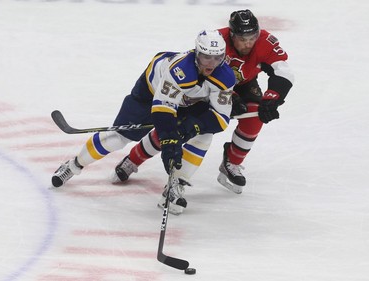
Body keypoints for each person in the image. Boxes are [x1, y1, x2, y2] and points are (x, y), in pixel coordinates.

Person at [51, 29, 236, 214]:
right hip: (149, 95)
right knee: (117, 138)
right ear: (196, 53)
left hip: (185, 101)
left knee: (204, 136)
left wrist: (191, 128)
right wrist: (170, 138)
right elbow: (163, 108)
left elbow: (220, 117)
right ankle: (74, 165)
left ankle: (174, 187)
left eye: (217, 58)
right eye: (206, 57)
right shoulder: (180, 71)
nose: (211, 64)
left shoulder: (225, 76)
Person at [112, 9, 294, 195]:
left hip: (243, 85)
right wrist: (232, 99)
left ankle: (231, 162)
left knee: (254, 117)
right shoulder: (218, 41)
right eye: (242, 38)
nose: (248, 43)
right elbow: (198, 67)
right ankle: (134, 159)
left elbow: (283, 71)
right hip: (212, 87)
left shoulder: (265, 41)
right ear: (231, 35)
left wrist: (273, 98)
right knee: (177, 128)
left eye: (252, 37)